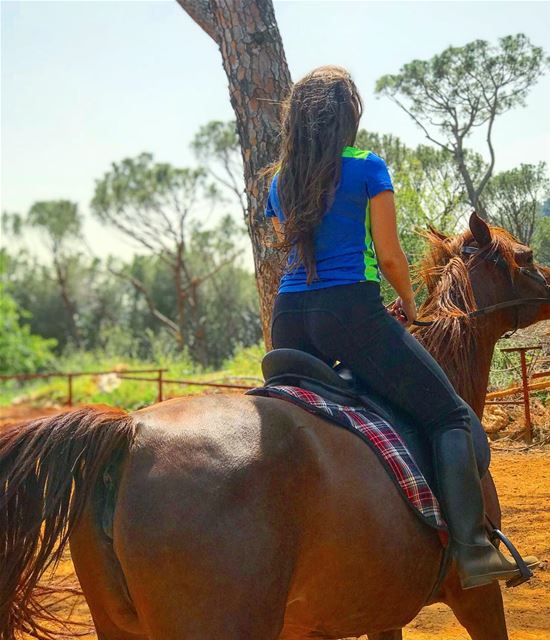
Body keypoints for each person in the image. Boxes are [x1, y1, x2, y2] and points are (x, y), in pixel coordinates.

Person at [263, 65, 537, 590]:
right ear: (348, 118)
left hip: (289, 319)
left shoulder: (281, 182)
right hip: (350, 313)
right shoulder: (367, 168)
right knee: (449, 416)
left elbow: (295, 252)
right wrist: (410, 306)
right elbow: (389, 257)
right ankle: (473, 551)